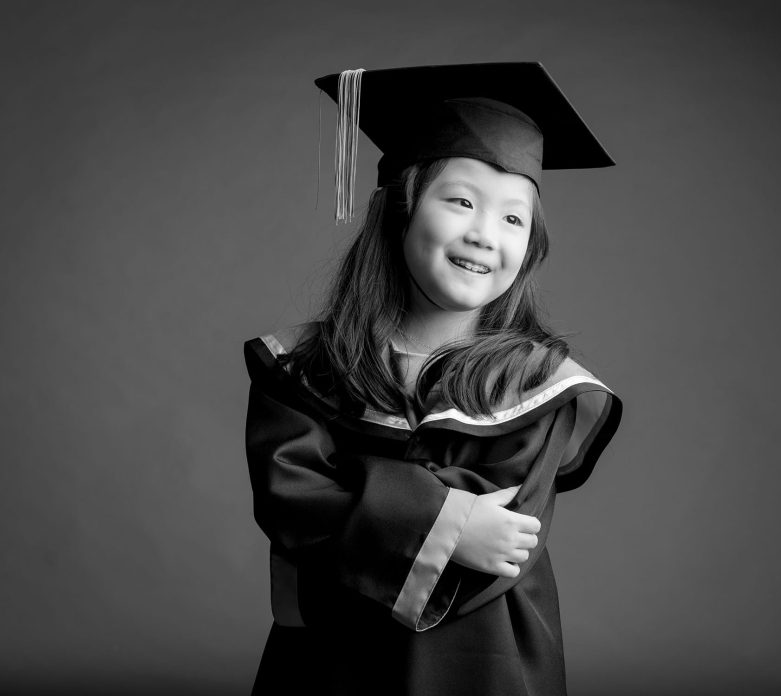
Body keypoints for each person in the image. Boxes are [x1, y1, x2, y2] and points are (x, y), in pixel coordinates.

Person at [244, 62, 623, 696]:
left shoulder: (537, 385)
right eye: (462, 201)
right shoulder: (305, 367)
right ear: (401, 206)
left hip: (482, 656)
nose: (484, 234)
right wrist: (449, 521)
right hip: (329, 661)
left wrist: (358, 501)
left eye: (513, 218)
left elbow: (503, 541)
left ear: (530, 246)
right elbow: (289, 497)